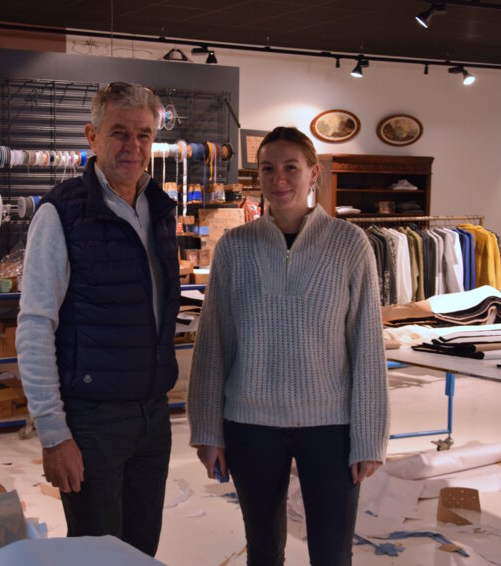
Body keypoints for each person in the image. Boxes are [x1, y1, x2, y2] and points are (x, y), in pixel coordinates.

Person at [187, 126, 389, 566]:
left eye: (291, 167)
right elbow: (213, 344)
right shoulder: (234, 248)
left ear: (313, 173)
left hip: (329, 426)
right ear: (256, 176)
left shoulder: (349, 244)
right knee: (263, 551)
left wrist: (370, 435)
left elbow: (367, 345)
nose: (279, 178)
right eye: (268, 168)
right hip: (250, 423)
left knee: (332, 554)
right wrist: (207, 429)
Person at [16, 81, 180, 557]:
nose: (133, 146)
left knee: (141, 550)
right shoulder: (61, 213)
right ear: (92, 136)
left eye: (144, 135)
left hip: (153, 415)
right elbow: (34, 325)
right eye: (120, 133)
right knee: (96, 554)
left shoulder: (159, 209)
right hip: (92, 422)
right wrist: (53, 431)